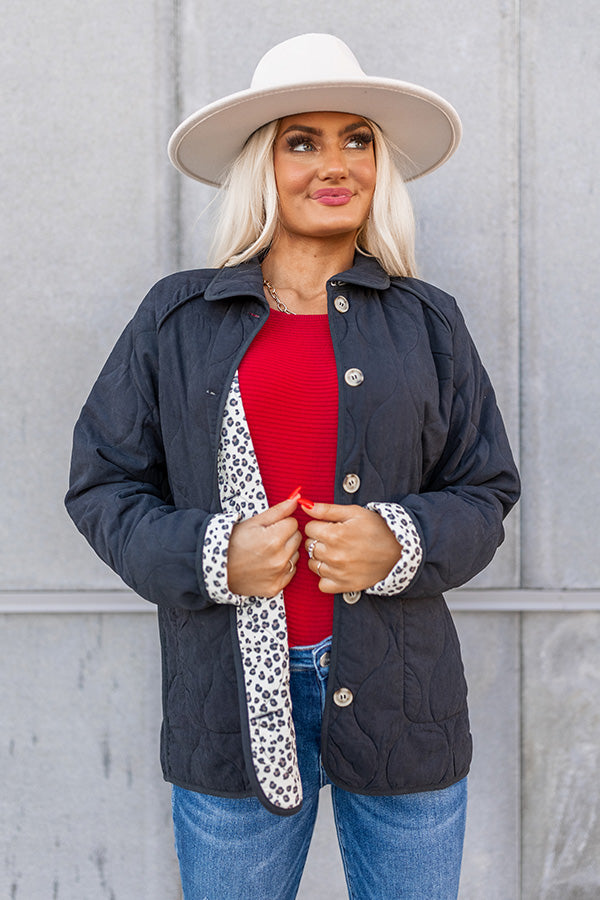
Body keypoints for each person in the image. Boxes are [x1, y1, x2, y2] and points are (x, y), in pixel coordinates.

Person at [66, 33, 520, 900]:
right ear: (261, 167)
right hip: (227, 710)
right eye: (302, 142)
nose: (334, 164)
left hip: (403, 700)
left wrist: (400, 541)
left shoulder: (428, 322)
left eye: (358, 140)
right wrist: (215, 554)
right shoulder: (179, 319)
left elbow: (485, 488)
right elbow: (103, 485)